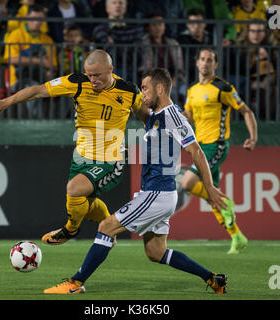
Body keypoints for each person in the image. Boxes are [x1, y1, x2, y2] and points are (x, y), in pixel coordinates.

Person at [43, 68, 229, 295]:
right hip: (158, 194)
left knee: (106, 227)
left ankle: (75, 283)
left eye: (145, 88)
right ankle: (212, 279)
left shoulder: (172, 115)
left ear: (160, 88)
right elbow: (133, 105)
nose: (143, 93)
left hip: (157, 193)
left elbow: (196, 152)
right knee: (156, 252)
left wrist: (209, 187)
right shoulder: (156, 116)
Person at [0, 49, 148, 246]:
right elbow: (38, 90)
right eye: (90, 75)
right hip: (82, 156)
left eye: (97, 75)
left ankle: (70, 230)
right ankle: (107, 224)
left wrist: (158, 133)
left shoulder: (129, 90)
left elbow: (146, 116)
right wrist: (5, 101)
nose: (93, 80)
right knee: (82, 200)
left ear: (110, 69)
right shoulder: (77, 82)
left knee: (75, 189)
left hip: (112, 159)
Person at [181, 48, 258, 254]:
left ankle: (227, 202)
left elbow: (246, 111)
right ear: (196, 62)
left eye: (210, 60)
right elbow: (188, 115)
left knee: (187, 182)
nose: (206, 63)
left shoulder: (223, 88)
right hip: (199, 145)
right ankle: (237, 236)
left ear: (216, 65)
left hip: (216, 145)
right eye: (203, 59)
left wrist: (253, 137)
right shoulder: (192, 90)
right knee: (211, 193)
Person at [4, 4, 57, 118]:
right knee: (33, 88)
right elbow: (10, 59)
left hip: (43, 79)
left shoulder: (47, 40)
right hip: (18, 79)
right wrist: (38, 61)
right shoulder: (16, 34)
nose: (36, 22)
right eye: (33, 19)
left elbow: (53, 65)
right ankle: (33, 123)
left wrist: (50, 72)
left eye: (40, 19)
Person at [141, 11, 186, 105]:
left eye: (160, 24)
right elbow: (146, 68)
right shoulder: (143, 43)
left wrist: (174, 80)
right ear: (148, 27)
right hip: (153, 80)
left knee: (185, 91)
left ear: (164, 26)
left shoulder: (173, 43)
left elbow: (179, 68)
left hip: (174, 79)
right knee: (170, 93)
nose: (157, 27)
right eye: (154, 25)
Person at [92, 0, 143, 81]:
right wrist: (126, 49)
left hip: (131, 71)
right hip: (107, 71)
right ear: (107, 8)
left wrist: (114, 46)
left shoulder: (134, 29)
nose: (117, 5)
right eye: (114, 2)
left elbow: (138, 54)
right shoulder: (100, 30)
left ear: (125, 8)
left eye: (121, 3)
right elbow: (108, 55)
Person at [236, 19, 276, 120]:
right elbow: (237, 71)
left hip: (267, 84)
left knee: (271, 89)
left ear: (265, 33)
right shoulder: (239, 49)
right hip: (246, 84)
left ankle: (268, 122)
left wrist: (268, 58)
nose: (256, 35)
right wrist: (254, 61)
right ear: (248, 32)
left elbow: (275, 69)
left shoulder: (270, 48)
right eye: (253, 31)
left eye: (259, 31)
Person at [177, 8, 213, 84]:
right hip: (188, 80)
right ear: (187, 24)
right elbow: (187, 64)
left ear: (205, 24)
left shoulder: (211, 39)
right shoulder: (181, 40)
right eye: (192, 23)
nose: (196, 26)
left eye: (199, 22)